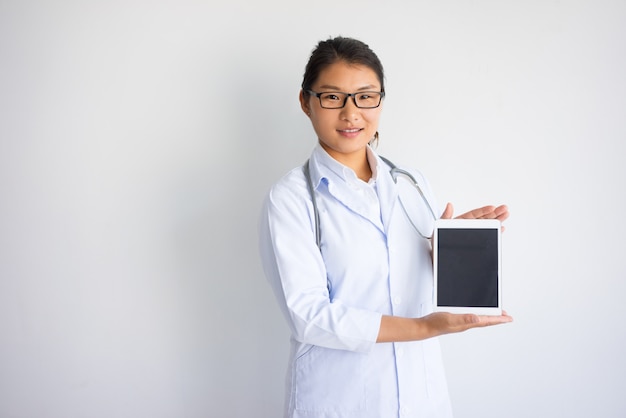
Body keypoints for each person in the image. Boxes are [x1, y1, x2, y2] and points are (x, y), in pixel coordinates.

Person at [258, 36, 512, 418]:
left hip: (420, 396)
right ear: (305, 101)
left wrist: (446, 248)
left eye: (365, 96)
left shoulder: (410, 183)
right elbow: (309, 316)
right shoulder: (291, 198)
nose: (351, 113)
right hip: (341, 399)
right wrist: (424, 328)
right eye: (332, 97)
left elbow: (406, 277)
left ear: (379, 100)